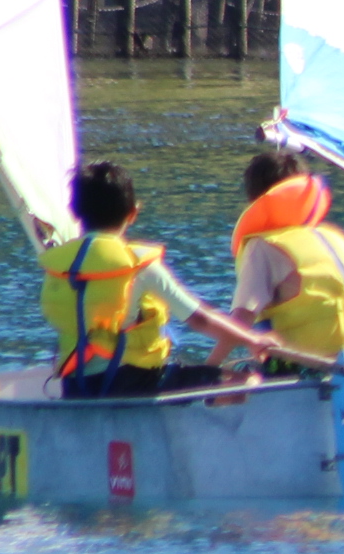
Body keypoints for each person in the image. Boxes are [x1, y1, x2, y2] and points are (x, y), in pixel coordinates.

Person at [39, 158, 276, 395]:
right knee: (245, 379)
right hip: (131, 383)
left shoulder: (59, 267)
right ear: (133, 213)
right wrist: (252, 339)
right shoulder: (139, 265)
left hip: (75, 386)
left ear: (74, 212)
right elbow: (200, 319)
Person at [216, 147, 344, 376]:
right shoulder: (334, 237)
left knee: (230, 371)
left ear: (254, 199)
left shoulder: (262, 247)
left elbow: (240, 322)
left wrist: (206, 368)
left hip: (303, 369)